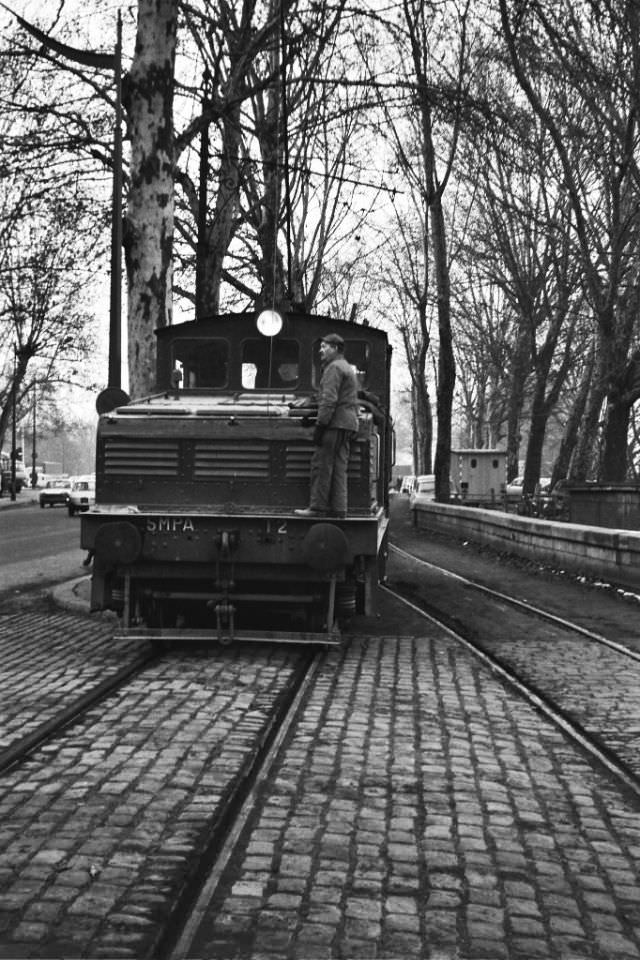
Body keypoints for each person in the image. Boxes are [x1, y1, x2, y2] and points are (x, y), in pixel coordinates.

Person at [295, 333, 359, 518]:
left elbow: (329, 400)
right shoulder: (346, 367)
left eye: (325, 347)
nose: (320, 350)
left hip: (334, 423)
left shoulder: (333, 368)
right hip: (347, 424)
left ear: (336, 348)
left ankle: (317, 507)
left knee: (321, 465)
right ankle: (339, 510)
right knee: (339, 467)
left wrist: (320, 426)